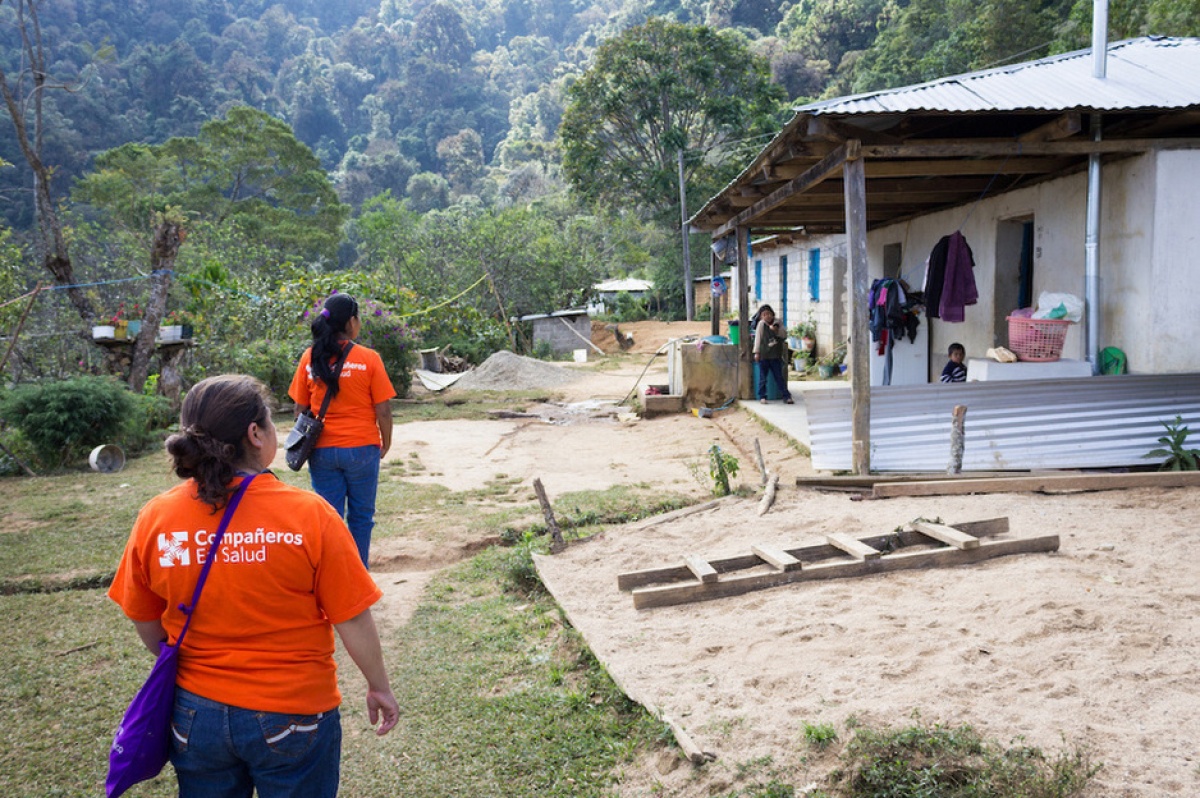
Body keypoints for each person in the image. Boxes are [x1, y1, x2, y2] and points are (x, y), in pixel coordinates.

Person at [108, 375, 399, 797]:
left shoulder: (157, 518)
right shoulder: (309, 516)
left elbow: (143, 616)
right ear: (255, 433)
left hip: (194, 716)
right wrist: (378, 685)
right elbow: (352, 616)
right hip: (294, 714)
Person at [289, 293, 395, 567]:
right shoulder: (369, 359)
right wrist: (386, 441)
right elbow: (383, 410)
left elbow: (300, 409)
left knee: (329, 518)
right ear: (351, 322)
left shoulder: (309, 358)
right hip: (362, 449)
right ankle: (359, 576)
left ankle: (333, 579)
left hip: (321, 451)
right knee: (361, 517)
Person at [753, 304, 794, 404]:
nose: (767, 316)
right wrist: (756, 352)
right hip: (764, 356)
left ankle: (786, 396)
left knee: (779, 377)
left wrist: (777, 331)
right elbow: (757, 339)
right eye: (764, 314)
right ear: (761, 316)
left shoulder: (778, 323)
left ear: (772, 314)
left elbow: (784, 335)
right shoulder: (761, 324)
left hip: (775, 355)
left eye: (769, 314)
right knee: (763, 378)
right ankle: (762, 396)